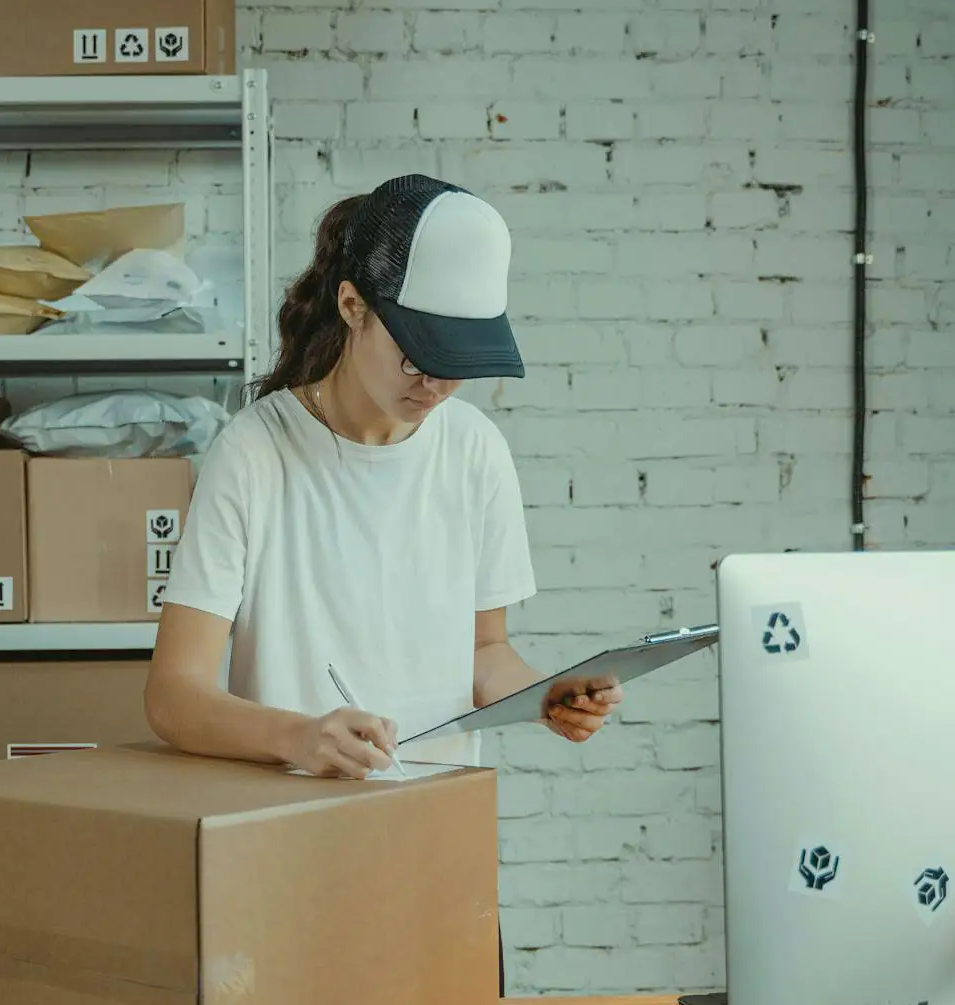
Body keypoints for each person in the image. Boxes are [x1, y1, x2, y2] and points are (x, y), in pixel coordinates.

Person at [146, 173, 623, 778]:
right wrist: (300, 737)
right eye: (417, 356)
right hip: (288, 821)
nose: (436, 385)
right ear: (353, 307)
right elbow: (172, 697)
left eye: (458, 363)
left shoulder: (475, 450)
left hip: (432, 815)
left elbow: (483, 652)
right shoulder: (254, 452)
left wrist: (546, 696)